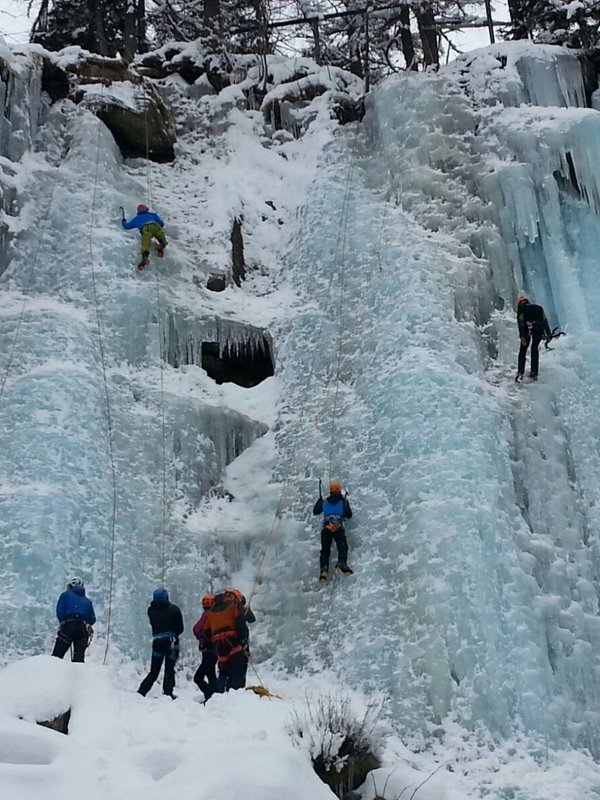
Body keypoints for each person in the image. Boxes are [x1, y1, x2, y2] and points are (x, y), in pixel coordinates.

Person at [137, 588, 184, 699]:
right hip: (171, 642)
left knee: (154, 671)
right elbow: (180, 628)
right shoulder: (174, 609)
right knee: (169, 669)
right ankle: (168, 692)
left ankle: (142, 691)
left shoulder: (150, 611)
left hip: (157, 642)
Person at [201, 589, 250, 692]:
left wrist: (213, 641)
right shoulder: (234, 605)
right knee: (238, 668)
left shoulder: (211, 611)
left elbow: (206, 631)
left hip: (219, 645)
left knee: (224, 670)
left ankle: (221, 694)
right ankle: (236, 694)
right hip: (233, 642)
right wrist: (242, 638)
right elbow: (240, 622)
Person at [313, 481, 353, 583]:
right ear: (339, 491)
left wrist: (319, 501)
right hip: (338, 528)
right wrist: (345, 503)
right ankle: (341, 563)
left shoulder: (324, 502)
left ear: (330, 491)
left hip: (326, 528)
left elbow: (315, 511)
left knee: (325, 550)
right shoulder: (343, 502)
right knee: (343, 547)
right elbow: (349, 515)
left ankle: (324, 569)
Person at [51, 577, 96, 663]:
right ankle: (78, 671)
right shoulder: (88, 602)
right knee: (78, 660)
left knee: (57, 656)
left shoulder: (65, 595)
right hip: (82, 629)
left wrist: (63, 622)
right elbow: (92, 619)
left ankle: (53, 671)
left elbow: (60, 612)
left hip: (68, 626)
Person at [515, 294, 552, 382]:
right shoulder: (539, 308)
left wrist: (522, 336)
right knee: (534, 349)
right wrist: (548, 334)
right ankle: (534, 372)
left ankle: (520, 373)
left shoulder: (521, 309)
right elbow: (545, 321)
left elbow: (521, 323)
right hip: (539, 329)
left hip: (527, 329)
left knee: (523, 351)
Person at [121, 203, 168, 271]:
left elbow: (126, 226)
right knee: (161, 237)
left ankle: (145, 258)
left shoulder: (136, 218)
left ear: (138, 211)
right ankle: (162, 245)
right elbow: (161, 223)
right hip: (155, 226)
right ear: (147, 210)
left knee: (145, 244)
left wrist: (123, 221)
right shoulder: (153, 215)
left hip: (146, 229)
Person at [192, 594, 218, 702]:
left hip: (208, 648)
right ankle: (213, 696)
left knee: (198, 677)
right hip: (215, 648)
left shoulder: (207, 615)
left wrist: (201, 637)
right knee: (211, 674)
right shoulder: (218, 614)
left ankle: (211, 695)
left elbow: (197, 629)